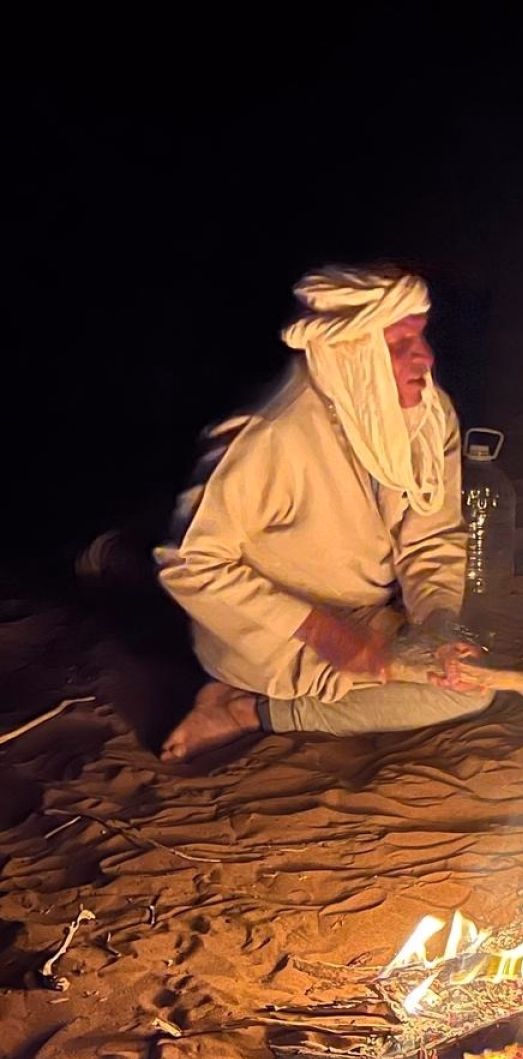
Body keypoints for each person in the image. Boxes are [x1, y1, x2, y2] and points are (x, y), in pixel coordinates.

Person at [155, 266, 492, 760]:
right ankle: (243, 708)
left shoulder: (428, 416)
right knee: (466, 694)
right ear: (351, 352)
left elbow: (430, 537)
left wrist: (437, 625)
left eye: (421, 338)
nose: (426, 357)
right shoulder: (272, 432)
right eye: (400, 346)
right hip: (271, 632)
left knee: (469, 679)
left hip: (365, 617)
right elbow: (189, 562)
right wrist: (325, 633)